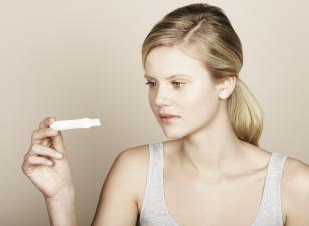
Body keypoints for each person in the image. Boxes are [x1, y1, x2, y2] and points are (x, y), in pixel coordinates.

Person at [21, 3, 309, 226]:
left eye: (178, 83)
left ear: (224, 84)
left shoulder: (294, 184)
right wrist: (59, 196)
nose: (159, 99)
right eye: (152, 83)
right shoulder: (135, 170)